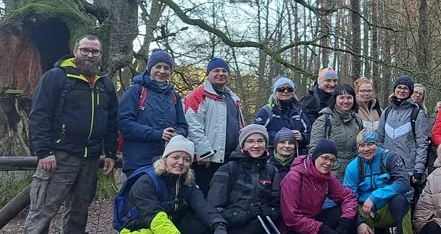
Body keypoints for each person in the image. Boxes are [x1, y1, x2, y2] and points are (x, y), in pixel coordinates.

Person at [18, 35, 118, 234]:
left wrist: (110, 152)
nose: (90, 55)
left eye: (95, 51)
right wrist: (43, 152)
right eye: (85, 50)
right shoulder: (56, 78)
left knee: (79, 208)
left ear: (100, 54)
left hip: (90, 156)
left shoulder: (105, 84)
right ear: (75, 51)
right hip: (59, 155)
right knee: (43, 208)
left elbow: (111, 121)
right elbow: (38, 115)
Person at [119, 136, 229, 234]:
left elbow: (202, 206)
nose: (180, 163)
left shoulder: (187, 183)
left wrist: (219, 225)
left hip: (167, 232)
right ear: (166, 158)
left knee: (203, 229)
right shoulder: (146, 182)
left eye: (186, 159)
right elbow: (155, 217)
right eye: (175, 157)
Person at [206, 125, 294, 234]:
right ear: (243, 145)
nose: (256, 145)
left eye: (260, 141)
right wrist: (245, 214)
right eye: (250, 141)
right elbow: (213, 210)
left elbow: (278, 206)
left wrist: (271, 213)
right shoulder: (227, 170)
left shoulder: (270, 170)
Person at [279, 139, 358, 234]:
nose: (328, 163)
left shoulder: (326, 178)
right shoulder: (294, 177)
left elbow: (348, 197)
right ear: (315, 156)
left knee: (349, 215)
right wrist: (323, 229)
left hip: (312, 222)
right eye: (325, 158)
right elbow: (291, 218)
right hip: (290, 229)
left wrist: (344, 224)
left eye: (332, 160)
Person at [343, 129, 415, 234]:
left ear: (377, 144)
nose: (366, 149)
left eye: (370, 144)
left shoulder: (390, 158)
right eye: (362, 146)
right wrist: (358, 222)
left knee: (401, 201)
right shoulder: (353, 167)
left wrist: (375, 196)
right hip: (365, 210)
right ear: (358, 148)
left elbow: (403, 183)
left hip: (389, 208)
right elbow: (348, 196)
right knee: (344, 209)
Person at [118, 49, 188, 175]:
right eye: (158, 67)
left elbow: (183, 125)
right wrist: (158, 134)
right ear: (149, 68)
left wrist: (176, 135)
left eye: (166, 68)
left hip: (166, 161)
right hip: (138, 162)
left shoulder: (174, 96)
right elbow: (125, 124)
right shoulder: (135, 91)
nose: (162, 71)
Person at [184, 57, 245, 195]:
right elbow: (193, 126)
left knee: (224, 194)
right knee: (205, 194)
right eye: (216, 70)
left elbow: (240, 125)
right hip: (207, 159)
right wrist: (204, 152)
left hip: (229, 157)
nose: (221, 73)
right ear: (208, 74)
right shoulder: (198, 96)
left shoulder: (233, 98)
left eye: (224, 71)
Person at [377, 76, 429, 186]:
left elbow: (422, 144)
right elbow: (379, 139)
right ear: (394, 90)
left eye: (405, 88)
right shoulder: (387, 112)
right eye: (399, 87)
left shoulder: (417, 113)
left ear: (410, 91)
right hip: (387, 168)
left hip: (408, 169)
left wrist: (419, 169)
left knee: (404, 201)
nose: (402, 90)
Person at [309, 83, 363, 180]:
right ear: (335, 99)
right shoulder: (324, 120)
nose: (345, 101)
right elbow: (314, 151)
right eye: (341, 98)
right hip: (330, 175)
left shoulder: (357, 120)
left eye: (349, 98)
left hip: (354, 174)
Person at [253, 76, 312, 155]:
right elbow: (256, 133)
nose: (285, 91)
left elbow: (310, 134)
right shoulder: (267, 111)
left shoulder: (299, 112)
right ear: (275, 91)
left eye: (289, 89)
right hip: (271, 156)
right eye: (281, 89)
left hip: (295, 157)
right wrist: (281, 136)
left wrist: (302, 137)